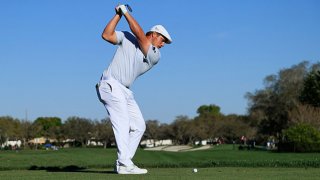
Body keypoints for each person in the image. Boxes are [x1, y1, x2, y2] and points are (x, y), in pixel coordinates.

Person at [96, 4, 172, 174]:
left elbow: (140, 34)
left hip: (125, 90)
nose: (163, 44)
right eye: (163, 40)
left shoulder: (155, 55)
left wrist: (125, 12)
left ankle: (123, 163)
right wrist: (118, 15)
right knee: (122, 122)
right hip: (111, 84)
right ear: (154, 34)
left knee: (138, 126)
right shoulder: (127, 37)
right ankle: (124, 163)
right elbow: (106, 35)